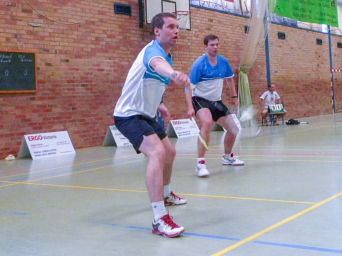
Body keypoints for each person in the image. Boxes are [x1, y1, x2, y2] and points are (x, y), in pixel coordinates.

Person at [113, 13, 189, 238]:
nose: (176, 31)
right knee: (157, 153)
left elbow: (154, 81)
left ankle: (165, 194)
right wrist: (174, 74)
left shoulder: (168, 55)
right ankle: (159, 219)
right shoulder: (153, 51)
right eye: (171, 27)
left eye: (178, 27)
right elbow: (157, 66)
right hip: (129, 115)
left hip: (148, 113)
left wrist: (161, 104)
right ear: (157, 31)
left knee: (170, 152)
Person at [186, 34, 244, 178]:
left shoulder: (223, 62)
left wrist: (234, 97)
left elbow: (230, 80)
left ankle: (227, 157)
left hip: (216, 101)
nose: (215, 47)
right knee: (207, 122)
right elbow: (187, 87)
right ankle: (200, 163)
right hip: (200, 99)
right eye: (212, 45)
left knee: (234, 129)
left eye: (217, 44)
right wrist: (189, 107)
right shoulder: (199, 64)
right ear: (205, 47)